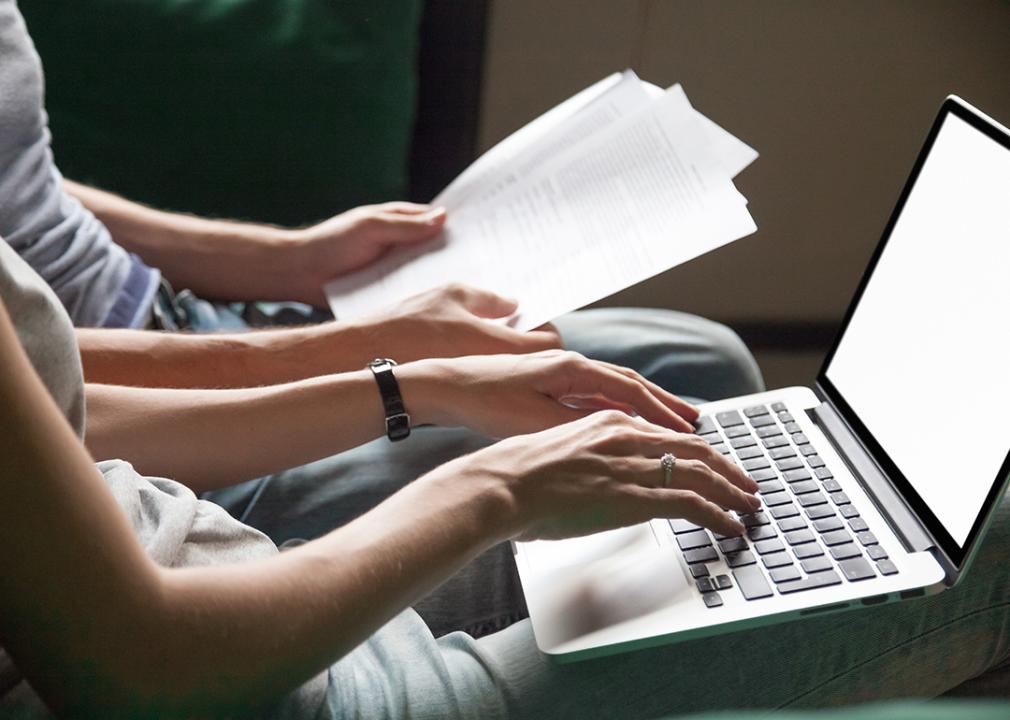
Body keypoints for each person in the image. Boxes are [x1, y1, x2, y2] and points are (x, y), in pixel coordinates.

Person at [3, 224, 1010, 718]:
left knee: (736, 457)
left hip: (252, 589)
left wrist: (411, 385)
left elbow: (75, 422)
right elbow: (139, 670)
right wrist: (495, 487)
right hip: (279, 683)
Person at [0, 0, 763, 559]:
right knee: (660, 442)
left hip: (184, 322)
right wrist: (380, 354)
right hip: (122, 431)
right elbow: (38, 377)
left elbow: (24, 182)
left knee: (699, 358)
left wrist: (290, 260)